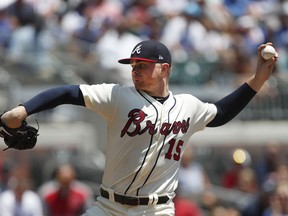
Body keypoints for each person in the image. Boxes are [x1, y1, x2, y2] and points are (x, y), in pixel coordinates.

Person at [0, 39, 278, 215]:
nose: (135, 70)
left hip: (158, 210)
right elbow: (68, 92)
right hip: (108, 207)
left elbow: (221, 113)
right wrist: (23, 110)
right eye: (133, 64)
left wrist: (257, 80)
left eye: (143, 65)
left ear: (165, 69)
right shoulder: (119, 95)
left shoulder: (188, 105)